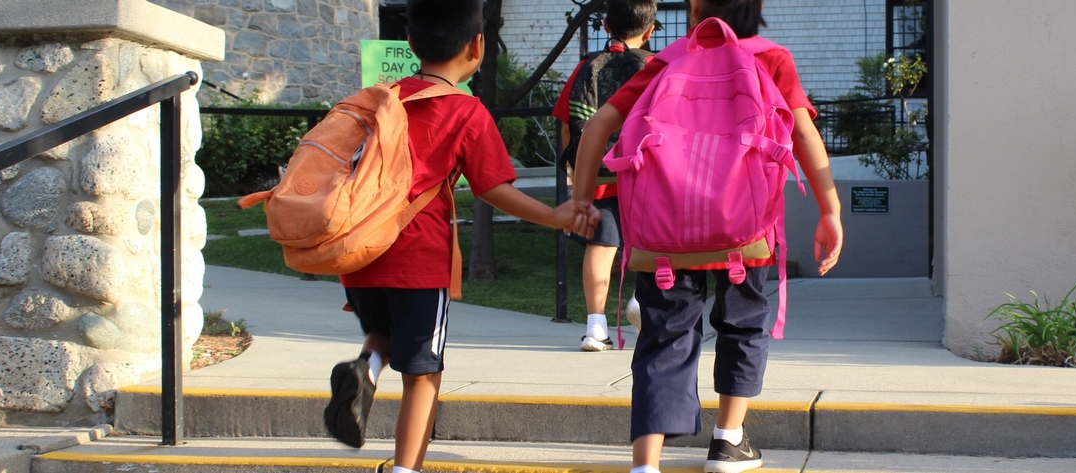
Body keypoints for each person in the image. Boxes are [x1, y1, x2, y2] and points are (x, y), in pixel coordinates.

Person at [322, 2, 599, 473]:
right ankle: (407, 469)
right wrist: (555, 216)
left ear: (410, 44)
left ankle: (364, 368)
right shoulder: (465, 111)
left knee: (386, 331)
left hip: (360, 254)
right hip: (417, 259)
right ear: (477, 46)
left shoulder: (379, 97)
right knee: (423, 373)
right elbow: (494, 190)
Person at [569, 0, 845, 472]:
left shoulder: (668, 60)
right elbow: (803, 135)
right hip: (745, 226)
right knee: (744, 326)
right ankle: (728, 442)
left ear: (695, 7)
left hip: (667, 231)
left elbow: (597, 126)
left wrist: (581, 199)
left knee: (662, 336)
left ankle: (645, 463)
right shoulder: (770, 57)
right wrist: (830, 209)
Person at [552, 0, 658, 352]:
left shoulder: (586, 67)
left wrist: (577, 169)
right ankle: (642, 302)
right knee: (652, 241)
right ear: (650, 30)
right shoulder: (655, 66)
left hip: (598, 174)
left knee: (601, 245)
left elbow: (568, 122)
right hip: (645, 171)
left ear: (607, 25)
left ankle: (595, 327)